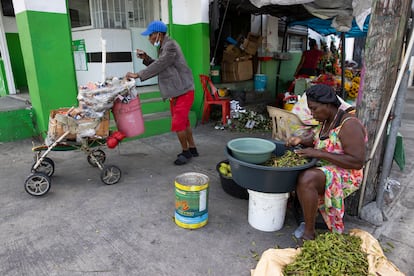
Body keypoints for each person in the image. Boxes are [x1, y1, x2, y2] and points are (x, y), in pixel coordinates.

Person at [286, 84, 367, 241]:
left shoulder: (349, 125)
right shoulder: (327, 120)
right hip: (328, 166)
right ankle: (304, 215)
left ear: (328, 105)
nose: (311, 113)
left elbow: (357, 162)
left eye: (314, 108)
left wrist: (319, 153)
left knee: (307, 178)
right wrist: (301, 140)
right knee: (296, 169)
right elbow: (321, 141)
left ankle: (309, 233)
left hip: (348, 174)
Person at [125, 20, 198, 165]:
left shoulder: (170, 46)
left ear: (158, 34)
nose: (149, 39)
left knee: (178, 123)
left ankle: (186, 152)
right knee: (184, 122)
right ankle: (192, 148)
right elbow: (162, 66)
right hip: (177, 91)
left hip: (183, 90)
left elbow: (161, 64)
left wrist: (138, 75)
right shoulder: (165, 47)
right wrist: (146, 58)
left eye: (150, 36)